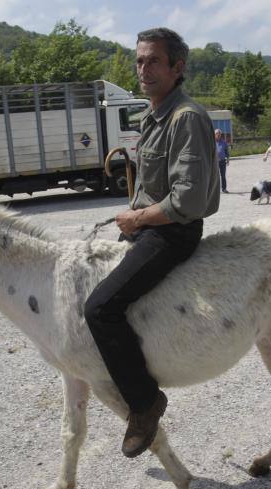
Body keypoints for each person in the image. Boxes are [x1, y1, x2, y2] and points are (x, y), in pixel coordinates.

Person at [84, 27, 220, 459]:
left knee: (100, 309)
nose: (143, 69)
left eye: (153, 61)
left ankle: (144, 404)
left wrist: (136, 217)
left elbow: (187, 200)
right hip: (147, 227)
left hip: (171, 232)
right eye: (139, 60)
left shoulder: (186, 117)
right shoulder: (152, 116)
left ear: (177, 67)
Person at [215, 128, 230, 193]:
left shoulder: (224, 142)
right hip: (214, 162)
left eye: (219, 134)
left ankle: (224, 189)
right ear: (214, 134)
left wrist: (228, 159)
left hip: (222, 161)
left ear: (221, 135)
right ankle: (215, 190)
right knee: (215, 176)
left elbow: (226, 151)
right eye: (217, 134)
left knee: (223, 176)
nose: (218, 135)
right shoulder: (212, 142)